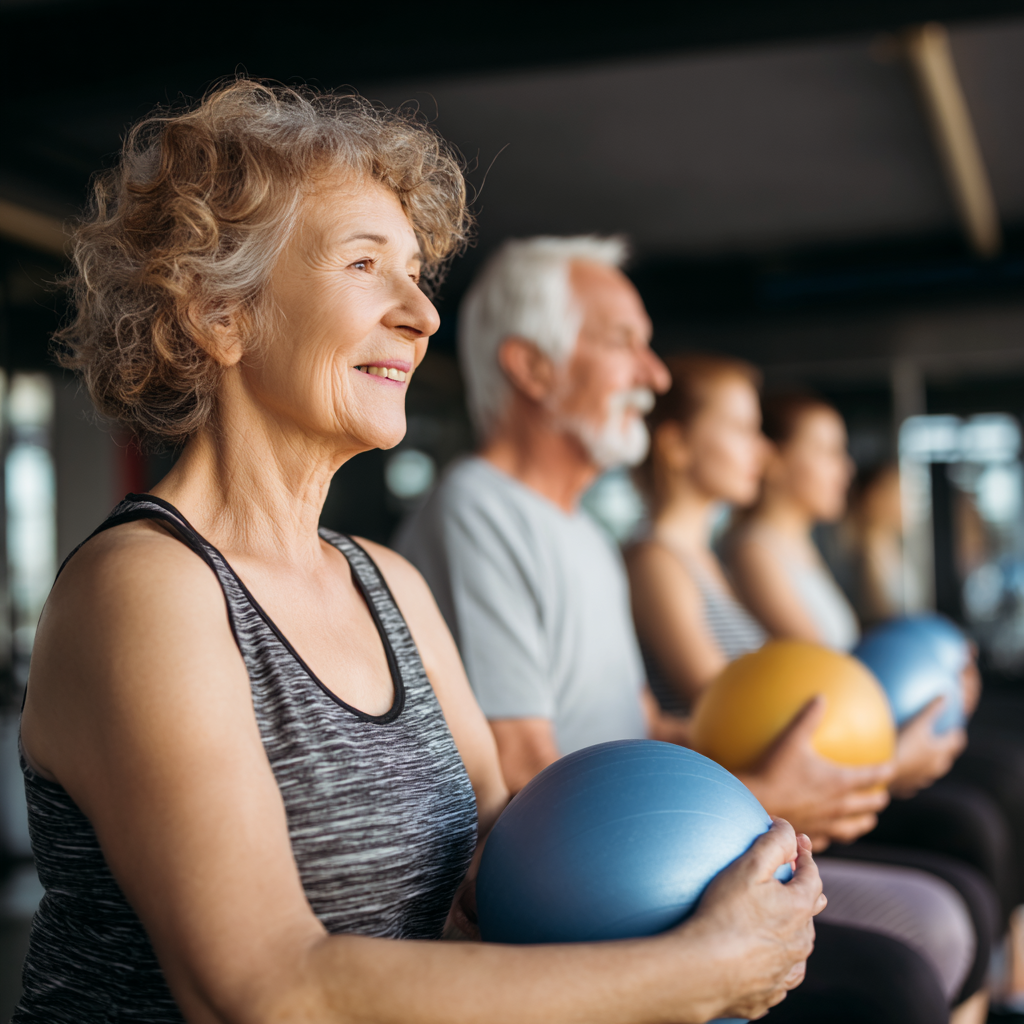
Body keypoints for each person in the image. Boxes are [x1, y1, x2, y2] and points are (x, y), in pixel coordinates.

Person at [15, 81, 824, 1024]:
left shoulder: (387, 583)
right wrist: (696, 972)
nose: (422, 315)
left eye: (416, 275)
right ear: (218, 313)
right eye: (365, 264)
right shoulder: (146, 591)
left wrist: (733, 875)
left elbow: (499, 885)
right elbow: (262, 993)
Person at [398, 243, 968, 1020]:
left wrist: (841, 773)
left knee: (937, 918)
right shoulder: (476, 507)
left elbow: (654, 724)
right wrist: (770, 797)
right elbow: (518, 770)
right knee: (898, 971)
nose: (654, 374)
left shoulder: (588, 535)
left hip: (667, 837)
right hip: (598, 889)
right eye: (622, 342)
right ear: (531, 369)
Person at [627, 356, 997, 1016]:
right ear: (677, 445)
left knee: (971, 862)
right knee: (961, 856)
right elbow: (732, 711)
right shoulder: (657, 560)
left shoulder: (707, 561)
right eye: (742, 428)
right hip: (737, 806)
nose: (761, 450)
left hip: (773, 797)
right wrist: (887, 760)